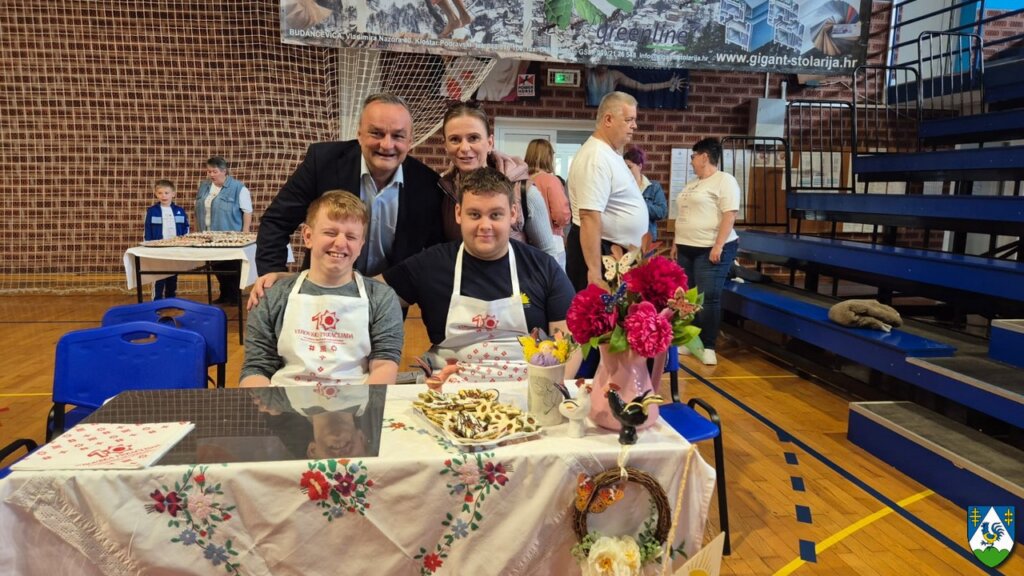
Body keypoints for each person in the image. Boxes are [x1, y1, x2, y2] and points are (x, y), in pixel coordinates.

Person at [383, 167, 577, 384]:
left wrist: (549, 391)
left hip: (527, 390)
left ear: (513, 214)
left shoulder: (543, 268)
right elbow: (371, 295)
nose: (485, 226)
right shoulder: (430, 264)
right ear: (458, 213)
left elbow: (570, 344)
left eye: (496, 215)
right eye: (474, 214)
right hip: (445, 392)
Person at [250, 93, 444, 308]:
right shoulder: (322, 161)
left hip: (385, 304)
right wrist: (275, 281)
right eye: (376, 133)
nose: (386, 144)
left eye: (398, 136)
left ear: (410, 141)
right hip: (320, 296)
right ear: (359, 134)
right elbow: (276, 222)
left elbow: (437, 252)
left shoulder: (427, 184)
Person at [241, 191, 403, 387]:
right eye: (330, 233)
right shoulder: (273, 295)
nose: (340, 243)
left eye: (351, 236)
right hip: (282, 401)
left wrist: (364, 407)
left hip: (357, 401)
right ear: (308, 236)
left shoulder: (382, 298)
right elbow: (257, 368)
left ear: (361, 245)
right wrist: (263, 404)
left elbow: (384, 365)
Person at [438, 102, 559, 261]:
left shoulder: (524, 192)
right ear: (445, 145)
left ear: (490, 143)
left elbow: (548, 255)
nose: (465, 148)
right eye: (455, 139)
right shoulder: (442, 191)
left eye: (473, 138)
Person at [565, 91, 649, 292]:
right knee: (599, 311)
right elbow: (589, 216)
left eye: (634, 120)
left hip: (615, 253)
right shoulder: (596, 157)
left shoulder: (610, 153)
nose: (634, 126)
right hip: (601, 255)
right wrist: (594, 273)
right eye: (629, 120)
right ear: (608, 119)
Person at [671, 138, 740, 366]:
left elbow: (729, 214)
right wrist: (676, 242)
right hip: (686, 247)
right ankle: (691, 340)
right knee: (688, 297)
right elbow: (684, 214)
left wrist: (718, 245)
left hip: (710, 248)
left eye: (693, 157)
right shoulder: (693, 184)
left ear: (704, 157)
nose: (691, 161)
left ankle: (709, 345)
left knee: (708, 297)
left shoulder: (724, 180)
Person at [196, 156, 253, 305]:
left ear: (224, 171)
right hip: (208, 235)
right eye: (209, 171)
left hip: (230, 236)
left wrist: (245, 233)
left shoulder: (239, 188)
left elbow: (247, 211)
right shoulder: (204, 186)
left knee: (230, 266)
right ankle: (224, 295)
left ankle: (234, 296)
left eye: (214, 171)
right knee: (216, 266)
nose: (211, 174)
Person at [525, 138, 570, 268]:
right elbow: (561, 214)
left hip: (526, 239)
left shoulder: (521, 180)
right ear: (548, 156)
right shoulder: (551, 180)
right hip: (551, 238)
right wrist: (562, 223)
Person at [144, 180, 189, 300]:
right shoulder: (152, 211)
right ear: (156, 194)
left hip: (175, 248)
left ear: (173, 194)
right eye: (160, 193)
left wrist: (184, 242)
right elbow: (147, 229)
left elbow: (186, 228)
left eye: (166, 193)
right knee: (158, 275)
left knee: (172, 274)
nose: (163, 196)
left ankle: (171, 298)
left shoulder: (180, 210)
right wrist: (148, 246)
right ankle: (157, 300)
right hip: (158, 249)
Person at [623, 145, 668, 242]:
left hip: (646, 241)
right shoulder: (621, 187)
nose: (626, 171)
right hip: (625, 239)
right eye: (624, 167)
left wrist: (639, 203)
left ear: (639, 166)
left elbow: (661, 212)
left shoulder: (653, 187)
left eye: (629, 167)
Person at [585, 66, 682, 107]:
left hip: (606, 113)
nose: (603, 64)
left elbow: (642, 87)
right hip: (590, 114)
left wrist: (667, 84)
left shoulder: (614, 75)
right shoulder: (589, 73)